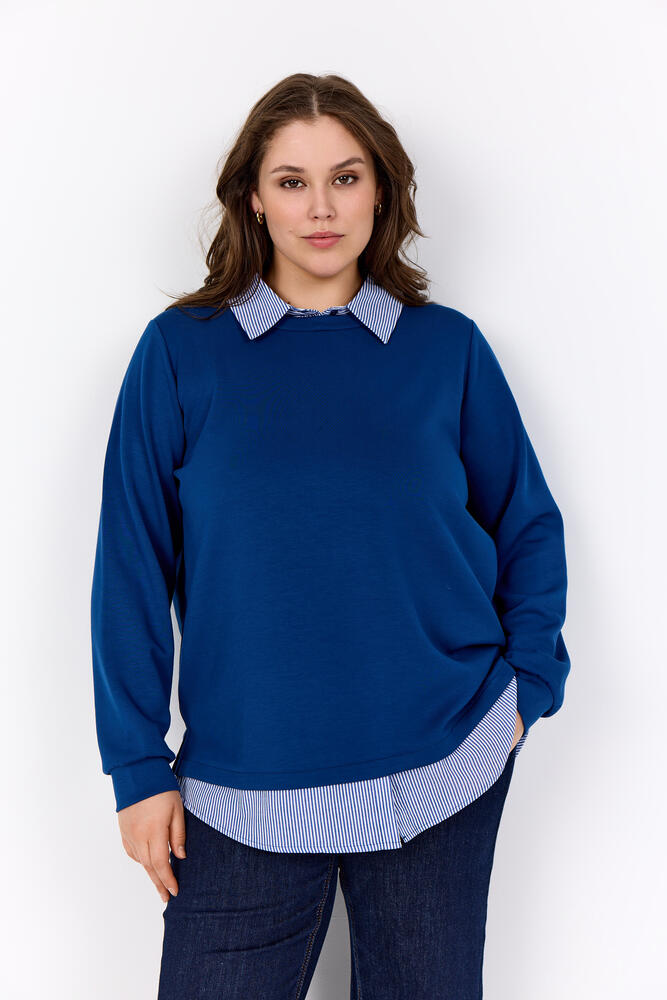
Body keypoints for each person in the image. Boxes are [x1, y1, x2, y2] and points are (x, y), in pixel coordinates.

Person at [90, 72, 570, 999]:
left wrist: (525, 691)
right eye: (292, 181)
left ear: (381, 191)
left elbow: (526, 526)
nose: (321, 208)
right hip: (240, 787)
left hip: (444, 763)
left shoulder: (447, 350)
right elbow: (131, 568)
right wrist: (137, 766)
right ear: (252, 198)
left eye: (345, 179)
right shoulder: (181, 353)